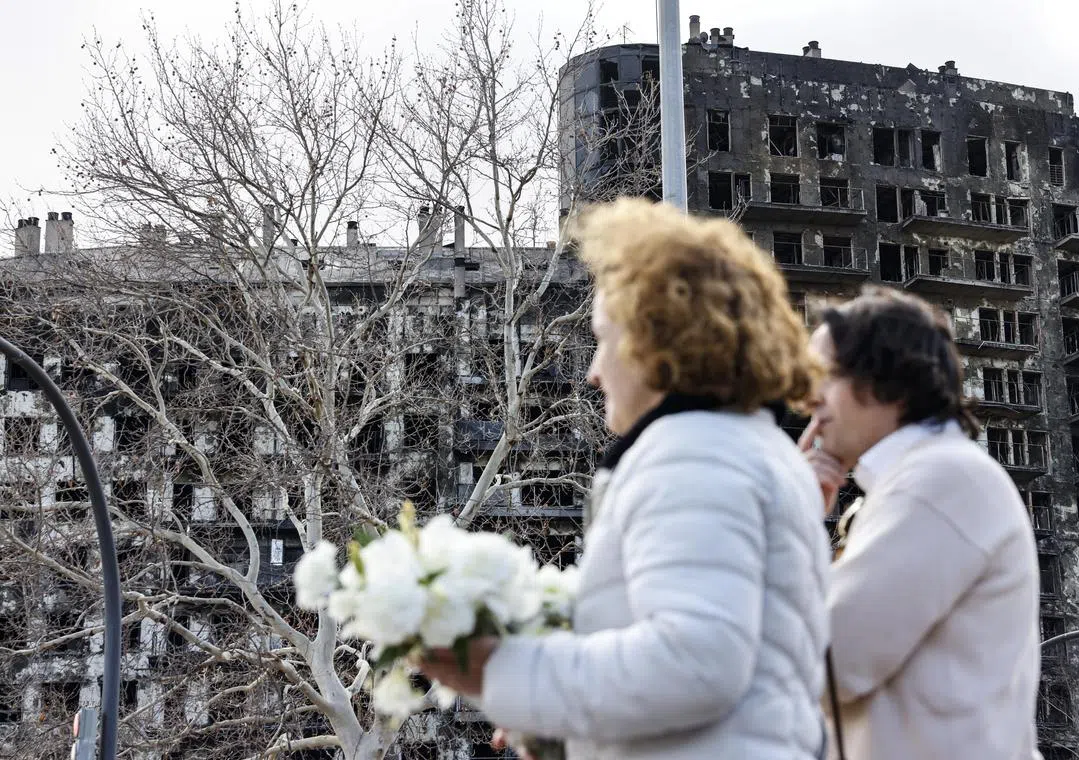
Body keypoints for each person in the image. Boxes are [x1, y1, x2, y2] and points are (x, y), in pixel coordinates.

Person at [420, 197, 832, 759]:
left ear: (652, 342)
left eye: (602, 338)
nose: (593, 371)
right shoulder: (757, 451)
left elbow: (695, 665)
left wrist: (500, 671)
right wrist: (560, 728)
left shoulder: (693, 456)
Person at [798, 287, 1041, 760]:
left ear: (887, 379)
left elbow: (824, 660)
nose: (809, 398)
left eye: (823, 376)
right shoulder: (926, 480)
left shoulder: (937, 482)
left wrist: (790, 523)